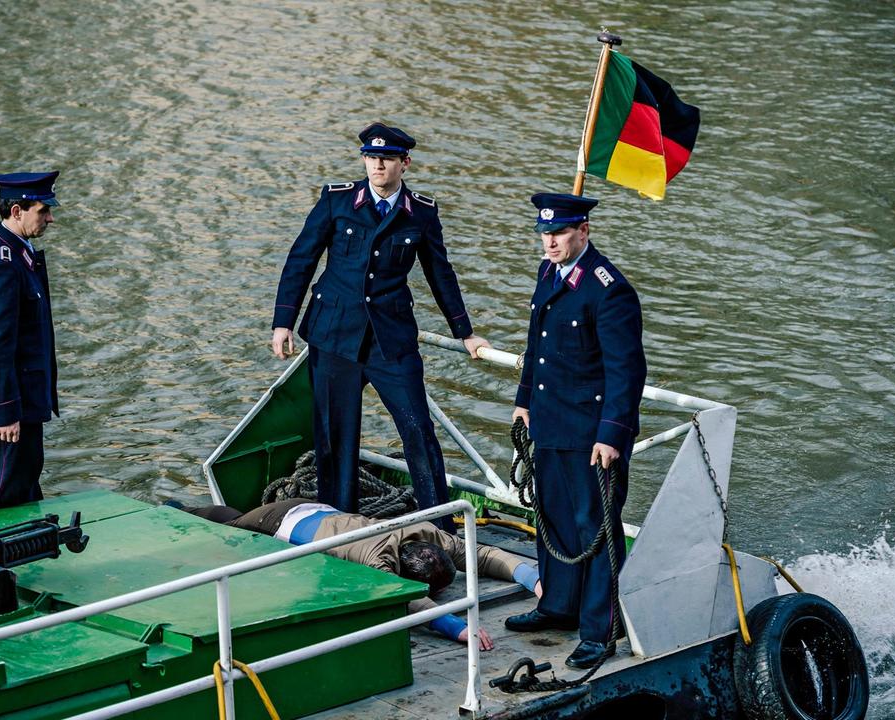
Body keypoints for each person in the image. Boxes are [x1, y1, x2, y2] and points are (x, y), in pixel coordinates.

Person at [269, 122, 491, 532]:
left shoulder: (421, 212)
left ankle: (439, 524)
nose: (377, 166)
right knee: (336, 437)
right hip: (334, 333)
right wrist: (283, 322)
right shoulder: (337, 201)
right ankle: (339, 526)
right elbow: (301, 258)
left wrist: (465, 332)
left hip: (391, 339)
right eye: (371, 158)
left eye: (386, 159)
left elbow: (440, 273)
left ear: (404, 163)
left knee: (418, 428)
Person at [504, 193, 647, 670]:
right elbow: (536, 345)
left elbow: (626, 371)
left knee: (596, 530)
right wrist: (525, 401)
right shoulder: (550, 272)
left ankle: (598, 630)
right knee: (556, 520)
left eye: (560, 233)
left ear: (583, 231)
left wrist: (612, 434)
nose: (550, 241)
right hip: (550, 422)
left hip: (591, 434)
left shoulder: (608, 289)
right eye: (545, 233)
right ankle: (557, 607)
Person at [172, 498, 541, 650]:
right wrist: (457, 628)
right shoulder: (375, 556)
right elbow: (408, 597)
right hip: (279, 521)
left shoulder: (426, 535)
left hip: (317, 509)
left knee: (231, 516)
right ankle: (175, 510)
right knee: (228, 524)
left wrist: (531, 578)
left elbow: (484, 553)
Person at [0, 172, 62, 513]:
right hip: (7, 407)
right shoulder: (3, 263)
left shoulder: (18, 251)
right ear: (17, 211)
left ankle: (24, 556)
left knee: (22, 488)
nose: (50, 218)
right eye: (43, 210)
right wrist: (4, 412)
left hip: (22, 399)